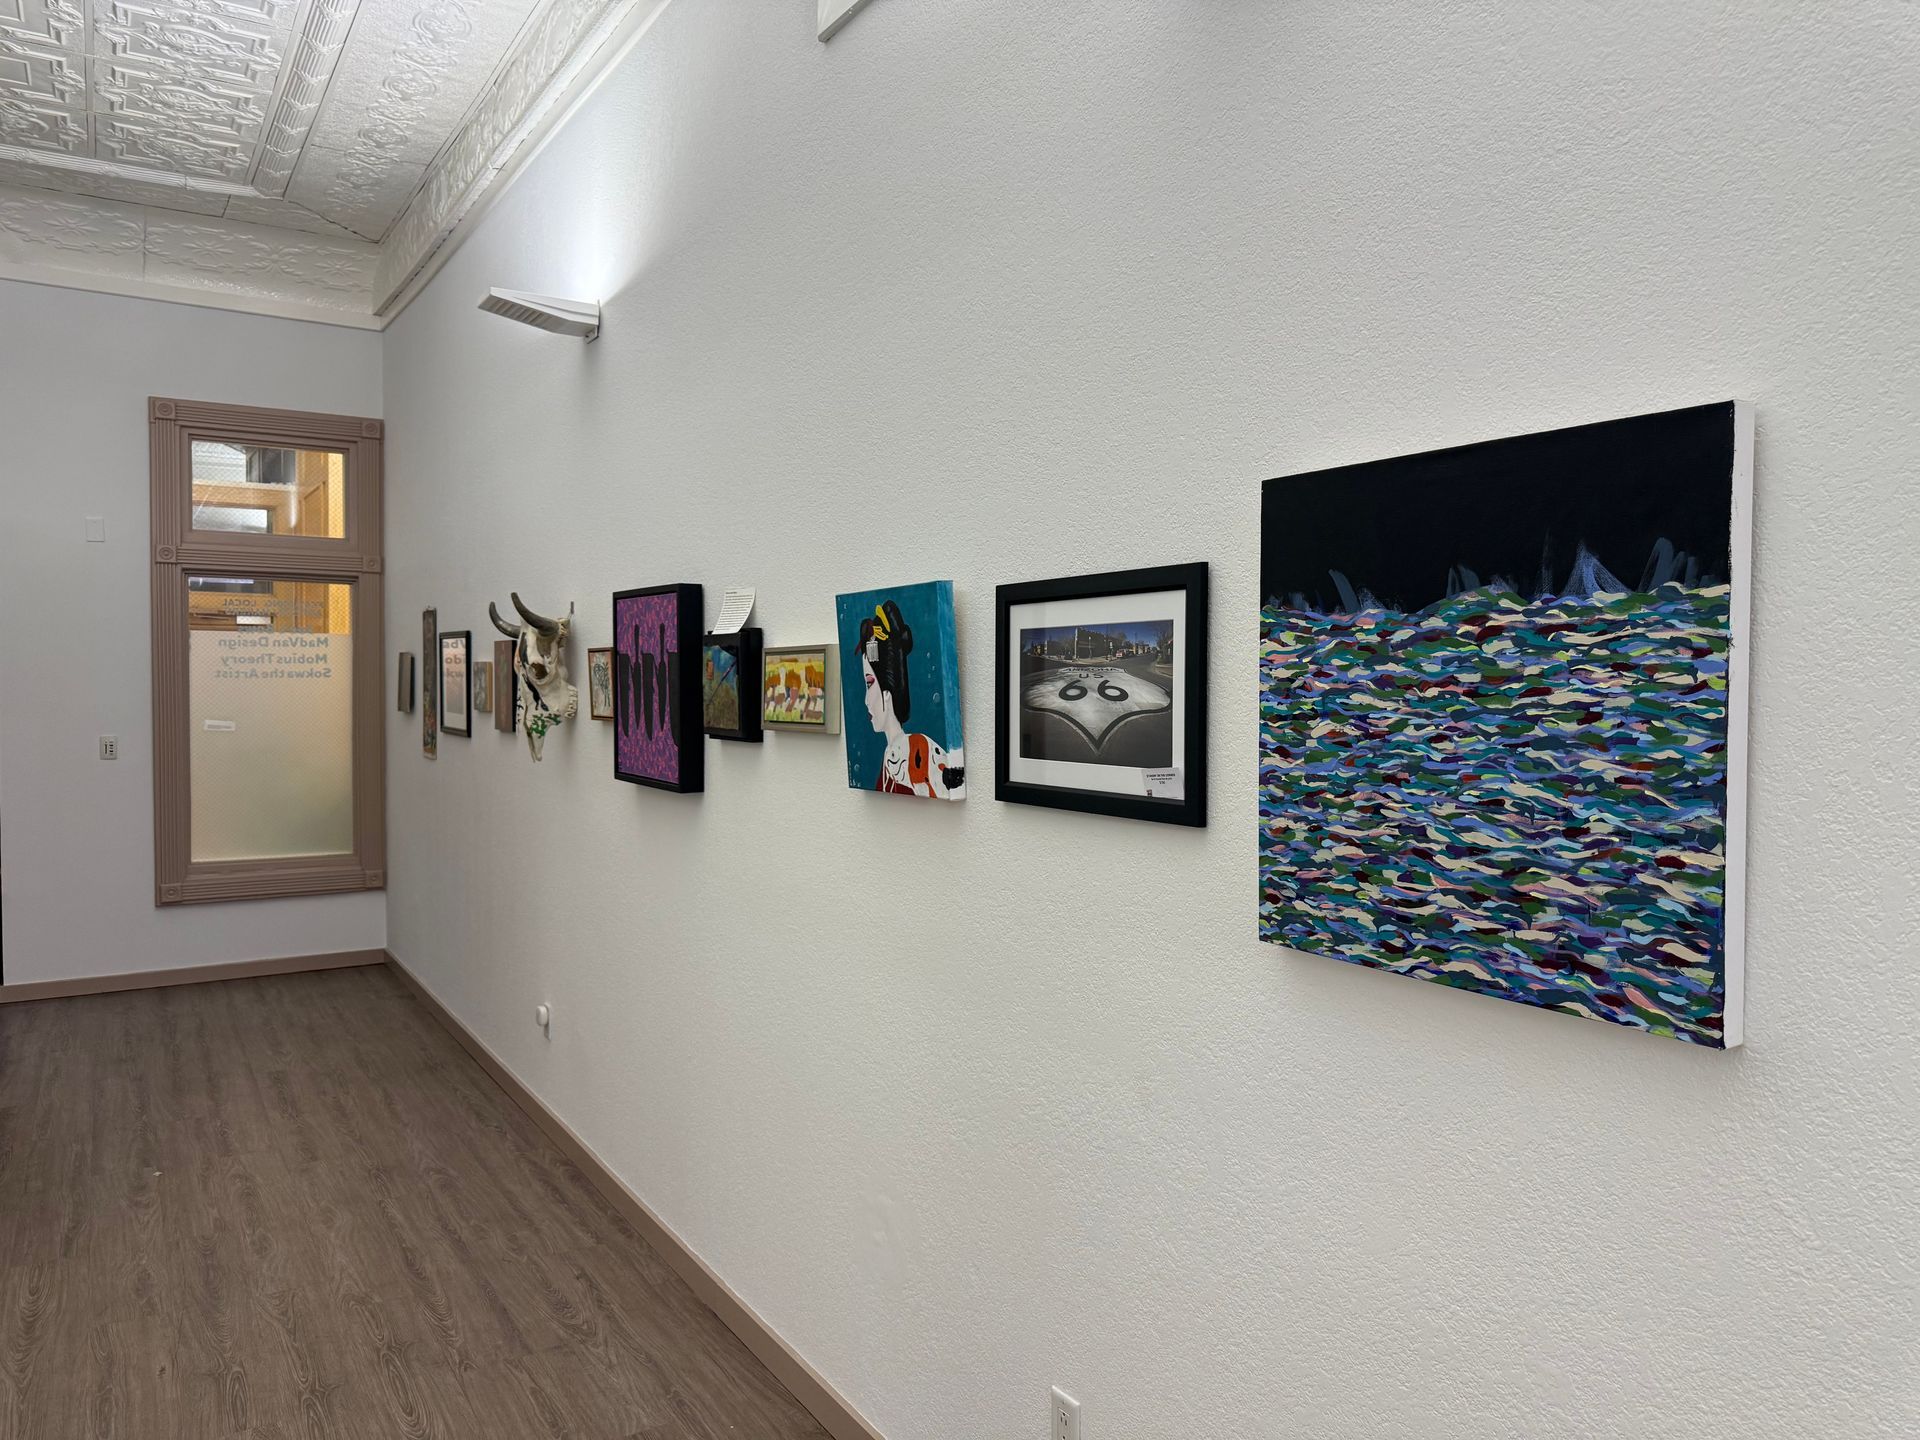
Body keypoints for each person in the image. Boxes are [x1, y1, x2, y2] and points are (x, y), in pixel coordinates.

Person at [858, 599, 964, 799]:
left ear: (887, 693)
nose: (865, 700)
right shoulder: (889, 756)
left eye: (869, 683)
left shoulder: (920, 749)